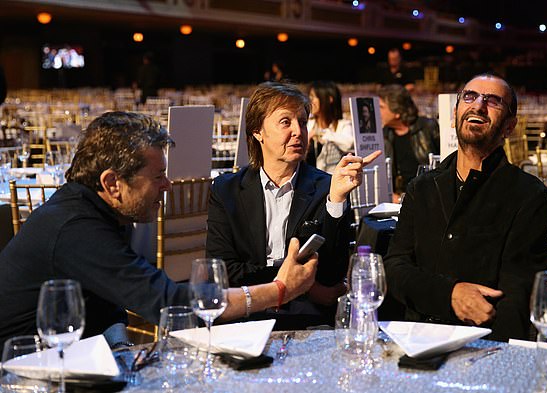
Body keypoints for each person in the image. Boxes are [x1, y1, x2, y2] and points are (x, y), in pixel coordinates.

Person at [0, 111, 319, 349]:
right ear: (113, 183)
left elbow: (107, 302)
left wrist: (122, 349)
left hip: (62, 357)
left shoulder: (102, 211)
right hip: (19, 368)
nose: (168, 185)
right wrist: (280, 290)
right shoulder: (75, 228)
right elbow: (173, 302)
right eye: (157, 177)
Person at [384, 73, 547, 342]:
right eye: (470, 97)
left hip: (482, 347)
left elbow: (517, 297)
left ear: (509, 126)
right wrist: (449, 295)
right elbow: (394, 268)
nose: (478, 105)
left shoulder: (529, 195)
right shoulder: (421, 188)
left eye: (493, 101)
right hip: (416, 342)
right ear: (454, 115)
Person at [207, 81, 381, 329]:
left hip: (306, 319)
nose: (298, 131)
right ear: (258, 131)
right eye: (285, 122)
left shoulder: (326, 187)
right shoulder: (227, 190)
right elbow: (223, 271)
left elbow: (332, 276)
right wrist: (301, 285)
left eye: (302, 121)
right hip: (245, 315)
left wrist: (337, 201)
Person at [378, 84, 439, 200]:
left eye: (381, 107)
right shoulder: (384, 134)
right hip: (399, 200)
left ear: (397, 112)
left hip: (430, 196)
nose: (378, 111)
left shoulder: (427, 127)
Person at [306, 81, 354, 173]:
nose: (310, 101)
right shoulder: (309, 123)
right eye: (310, 97)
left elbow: (349, 144)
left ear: (329, 99)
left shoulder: (342, 125)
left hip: (333, 179)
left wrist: (322, 133)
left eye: (313, 97)